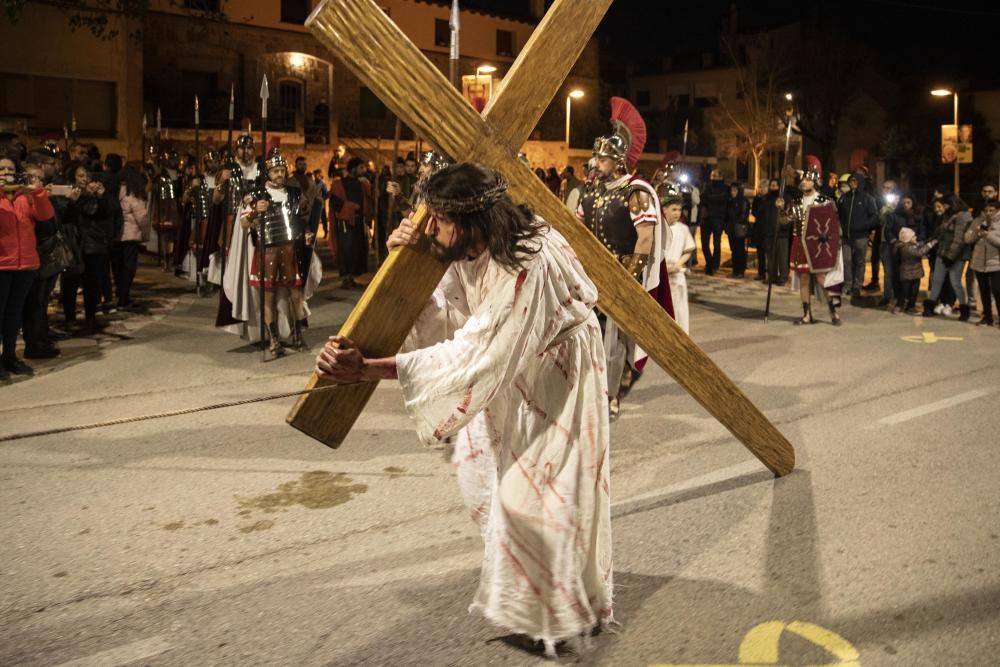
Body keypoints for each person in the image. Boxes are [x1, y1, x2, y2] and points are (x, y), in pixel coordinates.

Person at [315, 162, 612, 656]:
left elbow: (475, 352)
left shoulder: (526, 262)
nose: (433, 228)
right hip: (515, 363)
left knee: (537, 493)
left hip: (560, 370)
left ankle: (559, 614)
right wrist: (408, 260)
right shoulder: (468, 244)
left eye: (440, 221)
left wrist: (368, 369)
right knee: (484, 478)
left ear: (472, 222)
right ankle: (550, 601)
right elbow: (450, 312)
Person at [578, 96, 671, 420]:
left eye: (602, 159)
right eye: (596, 157)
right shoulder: (591, 191)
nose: (596, 163)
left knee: (615, 337)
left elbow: (645, 237)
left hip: (622, 271)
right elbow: (578, 227)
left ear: (618, 160)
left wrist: (629, 276)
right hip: (590, 273)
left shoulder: (635, 191)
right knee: (586, 331)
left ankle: (612, 394)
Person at [242, 147, 315, 356]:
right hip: (267, 250)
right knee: (269, 298)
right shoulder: (256, 194)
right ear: (268, 173)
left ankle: (297, 335)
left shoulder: (294, 194)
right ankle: (274, 340)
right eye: (275, 171)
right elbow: (243, 224)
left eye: (282, 170)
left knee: (296, 295)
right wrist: (256, 211)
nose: (279, 174)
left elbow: (303, 218)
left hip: (291, 248)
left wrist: (308, 232)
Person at [1, 157, 54, 379]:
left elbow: (46, 216)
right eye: (1, 169)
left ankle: (10, 356)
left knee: (15, 314)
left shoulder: (25, 196)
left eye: (10, 169)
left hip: (26, 265)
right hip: (3, 265)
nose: (6, 172)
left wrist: (38, 192)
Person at [782, 155, 844, 326]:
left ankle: (833, 313)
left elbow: (833, 225)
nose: (803, 182)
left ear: (815, 181)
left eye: (807, 179)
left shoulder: (825, 200)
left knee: (821, 279)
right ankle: (806, 315)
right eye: (802, 180)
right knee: (803, 279)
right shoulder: (795, 202)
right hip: (800, 244)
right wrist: (781, 209)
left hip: (818, 245)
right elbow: (785, 221)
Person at [59, 161, 112, 334]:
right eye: (80, 176)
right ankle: (70, 318)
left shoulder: (92, 194)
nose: (85, 179)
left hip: (92, 243)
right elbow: (68, 217)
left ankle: (91, 316)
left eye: (87, 175)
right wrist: (77, 200)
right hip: (74, 243)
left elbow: (103, 214)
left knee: (92, 282)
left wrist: (101, 196)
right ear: (72, 177)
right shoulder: (67, 194)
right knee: (71, 283)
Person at [923, 195, 973, 320]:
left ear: (952, 204)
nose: (942, 207)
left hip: (957, 256)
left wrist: (950, 257)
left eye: (944, 204)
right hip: (943, 252)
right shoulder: (948, 215)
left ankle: (964, 309)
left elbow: (959, 239)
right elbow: (941, 234)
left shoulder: (963, 216)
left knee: (955, 282)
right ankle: (930, 306)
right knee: (936, 280)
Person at [328, 157, 372, 289]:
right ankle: (347, 278)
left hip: (358, 222)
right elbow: (335, 203)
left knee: (357, 250)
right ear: (353, 169)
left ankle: (353, 277)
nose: (363, 170)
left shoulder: (362, 184)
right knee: (346, 250)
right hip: (345, 223)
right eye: (361, 168)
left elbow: (368, 200)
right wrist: (351, 207)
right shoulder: (338, 184)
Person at [661, 185, 696, 333]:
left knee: (679, 307)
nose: (677, 213)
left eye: (679, 210)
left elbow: (688, 250)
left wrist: (677, 265)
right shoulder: (659, 227)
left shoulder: (683, 229)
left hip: (676, 273)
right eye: (674, 209)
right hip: (662, 273)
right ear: (665, 210)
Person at [836, 172, 878, 297]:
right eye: (851, 181)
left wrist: (862, 227)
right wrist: (840, 228)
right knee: (847, 261)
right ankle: (847, 285)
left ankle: (857, 286)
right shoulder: (844, 198)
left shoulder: (867, 198)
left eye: (855, 181)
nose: (852, 183)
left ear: (860, 182)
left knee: (859, 261)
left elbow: (874, 217)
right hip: (846, 237)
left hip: (861, 237)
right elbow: (838, 215)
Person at [113, 163, 148, 311]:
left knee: (118, 267)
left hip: (116, 235)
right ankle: (123, 298)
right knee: (129, 268)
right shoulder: (132, 194)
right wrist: (145, 233)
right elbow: (142, 217)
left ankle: (120, 293)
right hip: (130, 235)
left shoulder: (116, 192)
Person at [963, 198, 1000, 327]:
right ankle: (987, 318)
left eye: (992, 210)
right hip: (978, 262)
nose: (988, 213)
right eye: (986, 210)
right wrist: (978, 232)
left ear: (997, 210)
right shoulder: (978, 221)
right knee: (983, 291)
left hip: (996, 263)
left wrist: (988, 235)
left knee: (997, 290)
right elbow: (967, 239)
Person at [894, 227, 936, 315]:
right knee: (904, 291)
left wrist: (925, 241)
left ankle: (910, 306)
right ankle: (899, 306)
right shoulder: (906, 248)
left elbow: (919, 245)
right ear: (908, 239)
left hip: (916, 273)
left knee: (914, 291)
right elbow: (919, 253)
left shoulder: (911, 245)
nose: (916, 237)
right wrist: (930, 245)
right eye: (913, 237)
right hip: (907, 274)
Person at [700, 169, 729, 275]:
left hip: (718, 218)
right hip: (707, 219)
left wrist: (711, 198)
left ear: (721, 177)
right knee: (704, 244)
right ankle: (710, 263)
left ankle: (714, 265)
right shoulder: (707, 186)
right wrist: (714, 199)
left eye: (716, 176)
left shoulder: (725, 188)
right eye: (712, 176)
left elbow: (723, 199)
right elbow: (702, 198)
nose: (714, 178)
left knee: (717, 243)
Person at [724, 181, 749, 278]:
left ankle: (740, 271)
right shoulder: (730, 201)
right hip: (731, 229)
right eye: (731, 190)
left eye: (735, 190)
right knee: (734, 250)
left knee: (739, 250)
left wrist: (735, 222)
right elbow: (727, 214)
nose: (732, 192)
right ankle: (735, 270)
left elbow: (743, 215)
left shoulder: (743, 201)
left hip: (739, 228)